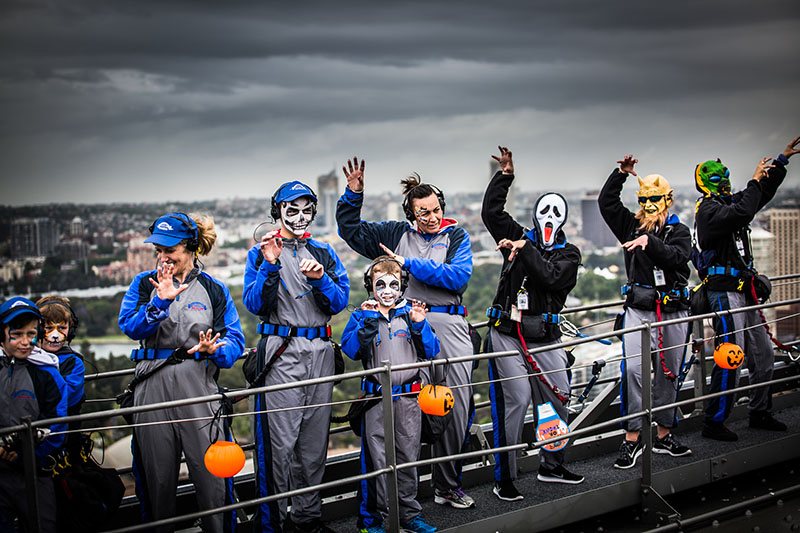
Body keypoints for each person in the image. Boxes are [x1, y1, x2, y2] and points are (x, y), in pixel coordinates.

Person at [337, 157, 477, 510]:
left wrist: (409, 264)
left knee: (454, 408)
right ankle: (401, 501)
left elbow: (457, 277)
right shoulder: (395, 234)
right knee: (410, 411)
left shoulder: (456, 235)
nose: (430, 217)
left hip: (449, 325)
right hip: (409, 330)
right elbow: (351, 232)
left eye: (435, 209)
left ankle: (448, 485)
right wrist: (354, 194)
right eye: (422, 212)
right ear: (411, 213)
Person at [118, 212, 245, 533]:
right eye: (158, 250)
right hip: (152, 388)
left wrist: (215, 350)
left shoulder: (213, 289)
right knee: (155, 480)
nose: (163, 257)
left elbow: (234, 343)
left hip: (198, 388)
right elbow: (130, 327)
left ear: (191, 249)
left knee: (213, 479)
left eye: (169, 250)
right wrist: (158, 302)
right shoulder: (142, 284)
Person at [243, 181, 348, 533]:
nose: (300, 216)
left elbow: (339, 301)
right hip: (282, 351)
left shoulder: (323, 250)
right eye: (292, 209)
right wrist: (270, 266)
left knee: (314, 442)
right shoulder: (261, 252)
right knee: (278, 443)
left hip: (319, 351)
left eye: (306, 210)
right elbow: (256, 304)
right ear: (278, 210)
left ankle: (307, 518)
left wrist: (320, 280)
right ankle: (270, 523)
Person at [481, 146, 584, 502]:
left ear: (565, 218)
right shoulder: (518, 234)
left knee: (557, 397)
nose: (550, 216)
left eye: (557, 211)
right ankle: (505, 476)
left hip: (545, 336)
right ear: (537, 215)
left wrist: (524, 248)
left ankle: (551, 465)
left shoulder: (569, 254)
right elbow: (492, 214)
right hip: (508, 333)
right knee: (517, 399)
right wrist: (505, 176)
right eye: (545, 210)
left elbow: (551, 277)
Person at [694, 135, 800, 441]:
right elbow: (744, 210)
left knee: (763, 354)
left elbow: (760, 195)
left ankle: (760, 411)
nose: (724, 182)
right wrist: (753, 183)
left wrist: (781, 161)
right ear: (705, 183)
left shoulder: (726, 204)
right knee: (730, 356)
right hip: (724, 291)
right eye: (717, 178)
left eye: (726, 177)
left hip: (743, 288)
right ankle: (714, 422)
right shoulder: (708, 212)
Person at [598, 155, 693, 469]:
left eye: (655, 199)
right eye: (645, 199)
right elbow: (607, 203)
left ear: (667, 200)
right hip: (639, 310)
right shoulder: (630, 225)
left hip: (672, 312)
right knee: (634, 373)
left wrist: (648, 242)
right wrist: (621, 174)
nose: (650, 204)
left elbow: (678, 259)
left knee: (670, 373)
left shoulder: (679, 231)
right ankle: (633, 438)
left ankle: (664, 434)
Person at [342, 256, 440, 533]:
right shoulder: (362, 315)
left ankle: (409, 515)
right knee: (376, 461)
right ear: (371, 286)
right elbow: (351, 351)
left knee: (408, 458)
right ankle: (372, 520)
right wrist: (368, 322)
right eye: (380, 284)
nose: (387, 290)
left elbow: (432, 350)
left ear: (402, 286)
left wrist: (420, 324)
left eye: (393, 284)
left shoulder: (411, 314)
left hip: (409, 399)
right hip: (376, 400)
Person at [0, 297, 67, 533]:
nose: (25, 342)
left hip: (35, 472)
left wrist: (23, 454)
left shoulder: (47, 372)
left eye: (31, 334)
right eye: (17, 334)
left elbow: (58, 427)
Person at [36, 296, 86, 461]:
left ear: (70, 330)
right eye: (48, 328)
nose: (55, 335)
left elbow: (66, 398)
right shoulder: (27, 359)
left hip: (65, 443)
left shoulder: (74, 362)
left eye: (62, 328)